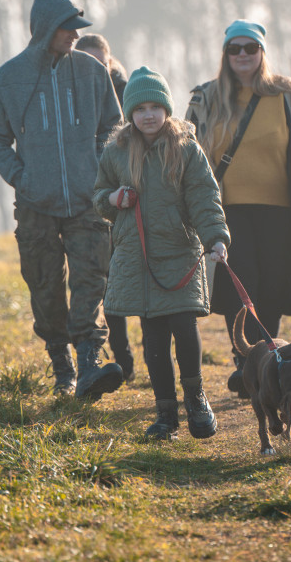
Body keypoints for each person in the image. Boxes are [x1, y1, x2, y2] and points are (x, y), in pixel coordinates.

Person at [186, 20, 291, 398]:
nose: (242, 55)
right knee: (241, 284)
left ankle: (266, 357)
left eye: (250, 48)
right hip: (226, 209)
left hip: (281, 209)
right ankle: (245, 361)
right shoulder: (205, 98)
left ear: (262, 52)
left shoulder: (290, 95)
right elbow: (188, 151)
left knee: (274, 283)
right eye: (234, 49)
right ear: (224, 55)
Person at [0, 0, 124, 401]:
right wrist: (23, 178)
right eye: (67, 28)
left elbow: (112, 128)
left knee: (90, 281)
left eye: (78, 28)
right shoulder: (8, 79)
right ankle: (61, 365)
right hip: (35, 205)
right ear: (45, 29)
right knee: (44, 286)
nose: (75, 35)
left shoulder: (93, 72)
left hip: (87, 202)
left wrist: (98, 173)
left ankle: (90, 365)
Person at [93, 67, 229, 440]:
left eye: (156, 106)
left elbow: (205, 196)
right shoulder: (116, 151)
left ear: (167, 109)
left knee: (185, 328)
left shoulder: (186, 149)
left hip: (179, 253)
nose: (148, 114)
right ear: (130, 113)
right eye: (140, 108)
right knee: (153, 338)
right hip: (138, 259)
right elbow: (98, 196)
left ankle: (197, 399)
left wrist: (216, 237)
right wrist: (112, 198)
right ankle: (165, 412)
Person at [75, 33, 135, 383]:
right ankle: (122, 354)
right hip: (93, 202)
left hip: (130, 198)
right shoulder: (73, 94)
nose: (97, 68)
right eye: (88, 62)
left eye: (102, 61)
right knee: (107, 283)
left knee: (135, 274)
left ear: (110, 61)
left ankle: (155, 353)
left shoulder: (131, 95)